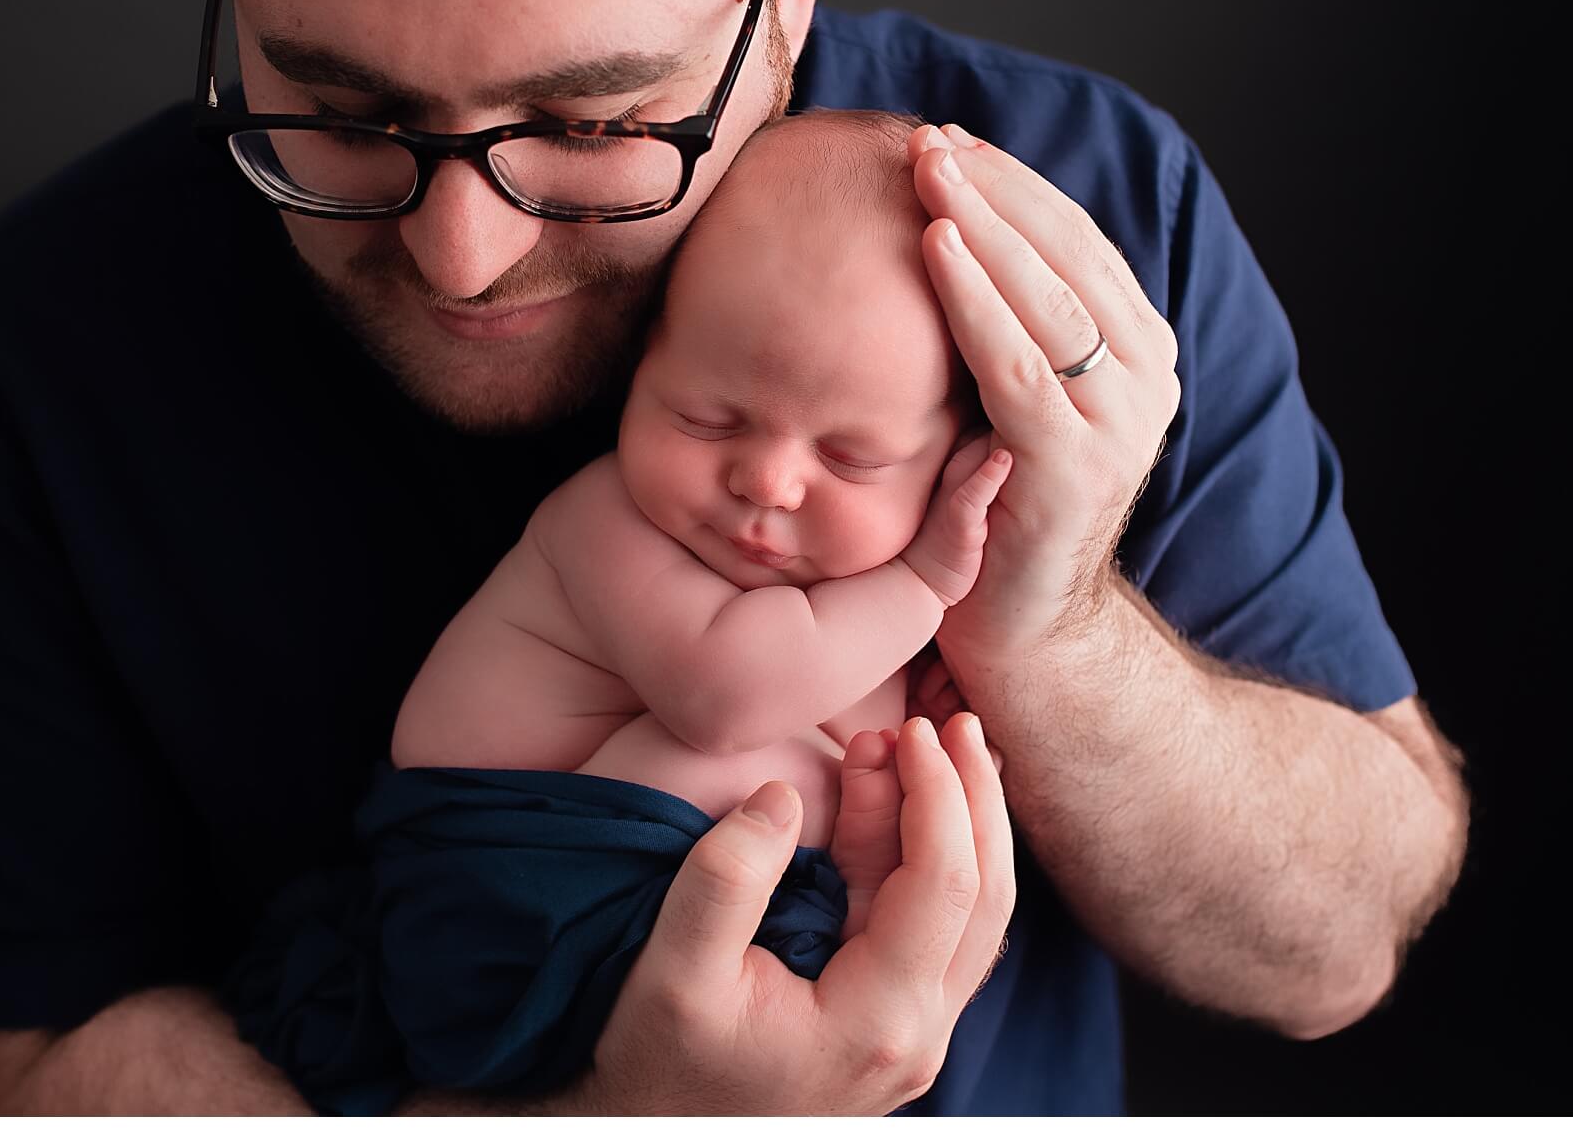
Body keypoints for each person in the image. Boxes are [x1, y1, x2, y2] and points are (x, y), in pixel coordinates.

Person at [0, 0, 1470, 1116]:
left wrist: (1054, 623)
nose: (461, 257)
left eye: (597, 125)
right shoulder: (34, 351)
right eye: (336, 105)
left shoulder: (1069, 226)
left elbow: (1328, 947)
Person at [224, 110, 1014, 1113]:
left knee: (892, 768)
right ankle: (850, 899)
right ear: (640, 372)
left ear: (951, 457)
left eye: (850, 456)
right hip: (501, 898)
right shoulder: (603, 522)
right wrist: (925, 586)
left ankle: (845, 909)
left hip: (635, 901)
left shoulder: (820, 570)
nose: (766, 481)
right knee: (758, 760)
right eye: (707, 416)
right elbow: (727, 697)